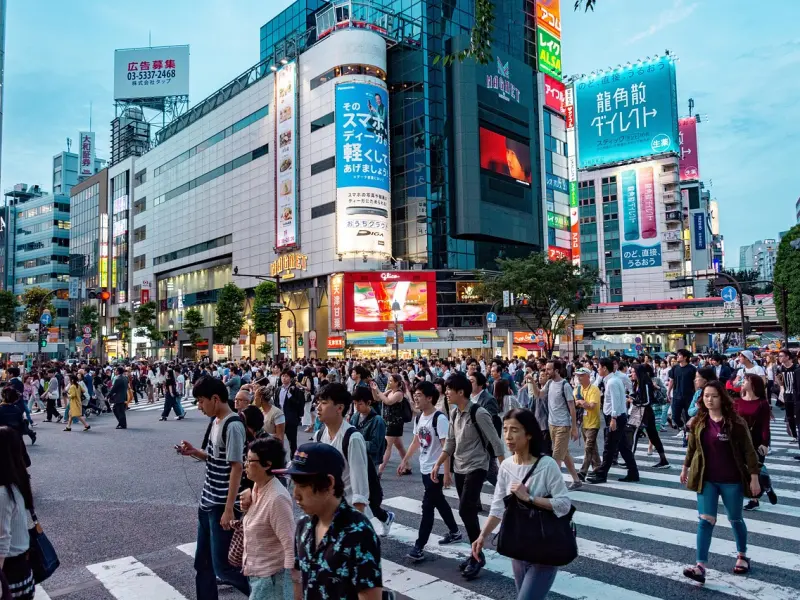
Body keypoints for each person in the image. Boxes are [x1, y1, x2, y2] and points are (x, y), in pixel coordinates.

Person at [472, 408, 571, 600]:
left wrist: (530, 499)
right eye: (506, 430)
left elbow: (564, 504)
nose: (508, 436)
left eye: (514, 430)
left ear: (529, 434)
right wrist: (482, 536)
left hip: (545, 547)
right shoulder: (507, 466)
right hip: (518, 546)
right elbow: (498, 506)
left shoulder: (547, 465)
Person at [279, 443, 384, 600]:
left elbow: (370, 596)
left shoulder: (358, 531)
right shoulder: (303, 525)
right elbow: (298, 578)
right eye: (294, 484)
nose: (295, 494)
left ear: (329, 483)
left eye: (302, 485)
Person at [177, 375, 250, 599]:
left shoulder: (233, 425)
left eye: (201, 401)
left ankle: (264, 594)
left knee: (223, 567)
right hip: (207, 502)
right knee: (203, 563)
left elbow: (236, 467)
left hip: (221, 505)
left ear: (215, 399)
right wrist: (195, 453)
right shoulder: (215, 422)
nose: (199, 407)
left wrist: (229, 509)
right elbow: (216, 458)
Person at [680, 381, 761, 584]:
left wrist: (754, 477)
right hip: (706, 479)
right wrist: (685, 467)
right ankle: (700, 566)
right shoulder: (699, 421)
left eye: (714, 396)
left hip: (731, 479)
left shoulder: (735, 422)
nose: (709, 399)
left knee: (735, 519)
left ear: (722, 398)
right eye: (706, 396)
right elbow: (692, 447)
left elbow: (749, 451)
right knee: (705, 520)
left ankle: (742, 555)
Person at [433, 374, 504, 580]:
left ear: (461, 392)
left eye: (449, 389)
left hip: (477, 466)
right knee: (467, 512)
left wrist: (505, 468)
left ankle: (477, 555)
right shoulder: (455, 413)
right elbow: (451, 443)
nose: (446, 393)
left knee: (465, 508)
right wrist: (438, 463)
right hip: (460, 466)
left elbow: (495, 442)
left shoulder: (479, 412)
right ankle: (475, 552)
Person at [314, 383, 394, 535]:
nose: (318, 407)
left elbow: (360, 488)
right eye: (318, 402)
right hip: (328, 509)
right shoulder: (319, 435)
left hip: (347, 511)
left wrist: (356, 528)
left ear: (339, 408)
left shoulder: (352, 438)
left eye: (324, 403)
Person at [399, 381, 461, 561]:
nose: (415, 398)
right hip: (425, 468)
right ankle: (455, 532)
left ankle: (419, 546)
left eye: (419, 395)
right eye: (415, 395)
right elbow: (416, 441)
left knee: (427, 507)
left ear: (429, 398)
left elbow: (446, 448)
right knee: (439, 501)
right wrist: (404, 460)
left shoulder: (439, 419)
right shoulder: (419, 418)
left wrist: (447, 473)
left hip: (437, 470)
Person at [240, 437, 297, 599]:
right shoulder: (258, 486)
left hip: (272, 580)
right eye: (246, 459)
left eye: (250, 460)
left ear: (267, 464)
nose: (245, 464)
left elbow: (290, 544)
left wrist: (290, 587)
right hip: (258, 575)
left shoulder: (277, 498)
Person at [528, 360, 582, 490]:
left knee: (556, 457)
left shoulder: (565, 385)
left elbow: (572, 407)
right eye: (546, 369)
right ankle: (576, 480)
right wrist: (533, 382)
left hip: (563, 425)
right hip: (552, 424)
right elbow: (539, 395)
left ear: (556, 371)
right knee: (565, 454)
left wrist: (574, 428)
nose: (546, 371)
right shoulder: (549, 383)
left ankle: (551, 487)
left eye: (548, 369)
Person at [587, 358, 639, 484]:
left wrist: (613, 418)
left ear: (605, 368)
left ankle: (602, 474)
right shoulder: (611, 380)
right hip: (616, 416)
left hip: (615, 417)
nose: (597, 369)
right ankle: (633, 472)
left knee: (609, 446)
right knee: (622, 447)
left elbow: (615, 401)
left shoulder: (612, 382)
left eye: (599, 367)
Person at [0, 426, 37, 600]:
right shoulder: (18, 481)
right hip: (22, 567)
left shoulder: (3, 492)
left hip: (9, 573)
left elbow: (2, 540)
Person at [736, 374, 777, 510]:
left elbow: (766, 425)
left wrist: (765, 443)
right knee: (742, 469)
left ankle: (755, 498)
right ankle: (765, 485)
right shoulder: (738, 401)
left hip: (757, 440)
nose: (743, 382)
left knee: (755, 468)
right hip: (741, 440)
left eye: (746, 380)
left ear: (754, 384)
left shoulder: (762, 403)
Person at [630, 364, 669, 469]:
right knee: (638, 435)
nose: (631, 374)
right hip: (640, 412)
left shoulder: (646, 383)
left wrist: (633, 401)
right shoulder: (637, 383)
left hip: (646, 413)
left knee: (647, 436)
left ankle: (630, 460)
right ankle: (663, 459)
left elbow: (647, 401)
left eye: (633, 372)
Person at [371, 374, 409, 477]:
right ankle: (407, 466)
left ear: (397, 383)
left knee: (387, 446)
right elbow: (377, 398)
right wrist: (374, 389)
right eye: (389, 380)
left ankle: (379, 471)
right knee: (399, 446)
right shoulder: (389, 391)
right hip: (389, 422)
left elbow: (388, 401)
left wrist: (378, 390)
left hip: (394, 423)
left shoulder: (399, 394)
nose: (389, 382)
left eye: (391, 381)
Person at [574, 368, 601, 481]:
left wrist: (581, 403)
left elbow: (592, 406)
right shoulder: (577, 389)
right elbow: (574, 404)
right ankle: (598, 468)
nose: (579, 378)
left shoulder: (594, 389)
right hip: (583, 422)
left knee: (588, 447)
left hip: (593, 422)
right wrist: (582, 403)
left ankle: (583, 471)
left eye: (581, 375)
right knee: (592, 447)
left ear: (588, 376)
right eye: (578, 376)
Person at [349, 387, 387, 469]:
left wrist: (355, 442)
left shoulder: (378, 421)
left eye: (359, 404)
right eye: (354, 403)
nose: (356, 407)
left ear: (368, 402)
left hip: (371, 461)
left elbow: (375, 446)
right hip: (356, 458)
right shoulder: (355, 417)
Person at [273, 370, 304, 455]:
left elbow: (299, 404)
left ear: (291, 378)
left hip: (291, 419)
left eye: (286, 376)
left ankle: (293, 460)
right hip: (279, 419)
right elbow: (276, 403)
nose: (284, 378)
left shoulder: (296, 390)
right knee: (278, 441)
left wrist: (290, 396)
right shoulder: (278, 389)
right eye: (282, 376)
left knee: (292, 442)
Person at [668, 349, 697, 438]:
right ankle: (681, 427)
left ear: (685, 357)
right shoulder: (675, 368)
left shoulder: (692, 369)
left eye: (679, 355)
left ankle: (688, 432)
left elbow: (695, 382)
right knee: (675, 416)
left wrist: (696, 395)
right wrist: (668, 392)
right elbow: (671, 381)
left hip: (689, 396)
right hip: (677, 396)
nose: (677, 357)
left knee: (689, 415)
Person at [777, 349, 800, 450]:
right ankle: (795, 436)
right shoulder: (780, 368)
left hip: (796, 395)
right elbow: (779, 382)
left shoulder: (796, 367)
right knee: (789, 417)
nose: (780, 358)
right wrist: (780, 384)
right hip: (786, 395)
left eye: (781, 356)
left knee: (797, 417)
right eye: (779, 356)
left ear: (787, 357)